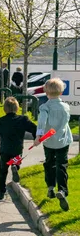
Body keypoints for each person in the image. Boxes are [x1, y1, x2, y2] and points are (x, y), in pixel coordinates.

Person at [35, 78, 73, 211]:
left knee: (49, 163)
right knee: (61, 165)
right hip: (63, 140)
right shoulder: (66, 107)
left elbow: (42, 122)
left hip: (48, 141)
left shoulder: (44, 107)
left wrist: (38, 136)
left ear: (46, 92)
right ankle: (62, 190)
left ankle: (50, 187)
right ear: (61, 91)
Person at [0, 97, 37, 200]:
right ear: (17, 108)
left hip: (5, 150)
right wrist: (35, 138)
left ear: (4, 109)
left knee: (2, 171)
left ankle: (1, 191)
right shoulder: (23, 120)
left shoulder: (1, 121)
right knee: (17, 160)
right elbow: (34, 128)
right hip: (17, 148)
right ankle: (15, 166)